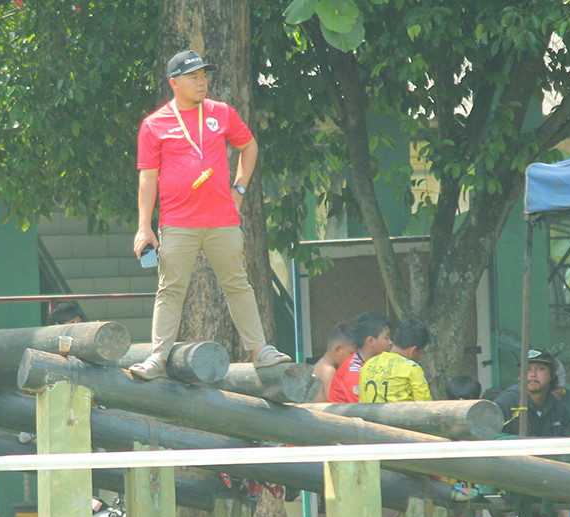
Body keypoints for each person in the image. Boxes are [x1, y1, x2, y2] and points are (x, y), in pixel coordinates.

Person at [130, 50, 290, 379]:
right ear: (174, 83)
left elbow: (249, 147)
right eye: (193, 76)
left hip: (222, 219)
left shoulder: (222, 112)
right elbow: (147, 177)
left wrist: (240, 190)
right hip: (177, 222)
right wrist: (144, 227)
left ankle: (261, 350)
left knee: (237, 284)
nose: (202, 81)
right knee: (171, 289)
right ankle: (157, 358)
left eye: (204, 75)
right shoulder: (154, 124)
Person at [494, 348, 570, 437]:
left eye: (540, 369)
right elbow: (488, 437)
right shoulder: (507, 402)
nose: (532, 374)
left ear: (552, 374)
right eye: (527, 369)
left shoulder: (559, 409)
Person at [359, 317, 432, 403]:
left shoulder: (368, 365)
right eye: (420, 353)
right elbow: (424, 406)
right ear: (413, 350)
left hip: (367, 416)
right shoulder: (412, 369)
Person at [328, 312, 391, 403]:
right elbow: (364, 408)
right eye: (386, 338)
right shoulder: (353, 371)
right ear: (371, 341)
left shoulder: (373, 364)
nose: (390, 343)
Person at [311, 322, 356, 402]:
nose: (353, 358)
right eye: (351, 353)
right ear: (337, 350)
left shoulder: (319, 365)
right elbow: (334, 404)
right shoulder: (328, 371)